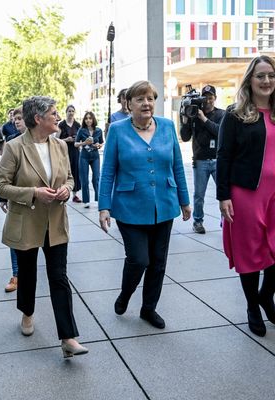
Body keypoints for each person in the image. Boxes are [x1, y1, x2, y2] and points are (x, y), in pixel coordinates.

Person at [0, 96, 88, 358]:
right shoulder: (14, 148)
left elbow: (69, 179)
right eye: (53, 114)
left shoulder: (59, 145)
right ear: (38, 119)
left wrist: (66, 191)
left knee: (59, 276)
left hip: (56, 221)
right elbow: (0, 186)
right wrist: (33, 192)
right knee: (27, 273)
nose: (57, 117)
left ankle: (68, 337)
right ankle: (27, 312)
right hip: (27, 220)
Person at [99, 80, 191, 329]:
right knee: (139, 259)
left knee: (158, 262)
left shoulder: (167, 126)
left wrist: (184, 199)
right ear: (129, 104)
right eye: (140, 99)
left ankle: (148, 308)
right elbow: (108, 171)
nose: (146, 103)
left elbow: (176, 166)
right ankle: (125, 294)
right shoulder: (117, 130)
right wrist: (103, 206)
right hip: (129, 206)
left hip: (165, 204)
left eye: (150, 98)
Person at [217, 55, 275, 337]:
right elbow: (223, 156)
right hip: (246, 193)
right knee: (251, 253)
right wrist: (223, 195)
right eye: (260, 76)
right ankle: (253, 306)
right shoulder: (235, 114)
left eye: (271, 75)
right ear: (250, 80)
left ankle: (266, 295)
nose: (266, 81)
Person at [180, 85, 225, 234]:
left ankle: (225, 220)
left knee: (224, 193)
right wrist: (186, 120)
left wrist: (203, 119)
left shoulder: (221, 114)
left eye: (210, 97)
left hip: (219, 160)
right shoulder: (193, 114)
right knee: (199, 195)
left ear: (215, 98)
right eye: (205, 97)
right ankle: (197, 222)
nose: (207, 101)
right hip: (200, 160)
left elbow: (220, 132)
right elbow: (185, 137)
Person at [0, 107, 26, 293]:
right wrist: (3, 197)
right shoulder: (11, 142)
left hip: (39, 201)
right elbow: (4, 175)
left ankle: (27, 272)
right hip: (17, 197)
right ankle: (16, 275)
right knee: (14, 237)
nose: (16, 122)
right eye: (15, 119)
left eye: (20, 118)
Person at [75, 111, 104, 208]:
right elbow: (76, 144)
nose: (88, 120)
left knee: (96, 177)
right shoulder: (81, 130)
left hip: (95, 156)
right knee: (84, 179)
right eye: (86, 118)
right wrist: (84, 143)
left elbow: (101, 143)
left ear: (93, 119)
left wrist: (98, 145)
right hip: (84, 156)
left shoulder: (99, 131)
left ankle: (99, 199)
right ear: (84, 120)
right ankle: (86, 200)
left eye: (90, 118)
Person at [57, 105, 82, 203]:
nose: (71, 113)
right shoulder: (61, 125)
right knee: (64, 172)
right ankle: (63, 193)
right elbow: (56, 139)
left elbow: (81, 138)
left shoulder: (77, 125)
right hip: (64, 150)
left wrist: (77, 140)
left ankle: (75, 195)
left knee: (75, 171)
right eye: (69, 111)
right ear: (66, 112)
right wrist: (66, 139)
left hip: (75, 151)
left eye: (72, 111)